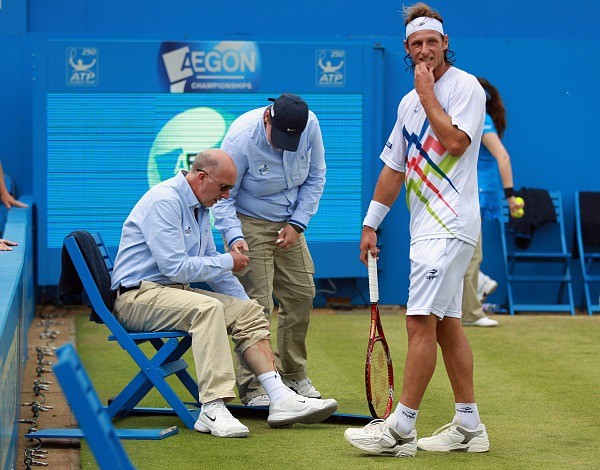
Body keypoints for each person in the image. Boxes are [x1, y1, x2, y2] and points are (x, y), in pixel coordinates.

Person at [344, 2, 490, 457]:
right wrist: (371, 223)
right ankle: (469, 426)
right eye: (416, 44)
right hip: (425, 229)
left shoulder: (466, 87)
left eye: (432, 42)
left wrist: (428, 93)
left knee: (418, 320)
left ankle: (400, 427)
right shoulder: (407, 103)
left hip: (450, 226)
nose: (425, 49)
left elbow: (453, 141)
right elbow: (393, 168)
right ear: (406, 50)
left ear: (446, 43)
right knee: (446, 325)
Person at [110, 149, 337, 438]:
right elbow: (176, 268)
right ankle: (212, 407)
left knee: (250, 310)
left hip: (169, 294)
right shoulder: (164, 200)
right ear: (202, 177)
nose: (227, 196)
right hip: (135, 299)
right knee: (208, 309)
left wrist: (244, 307)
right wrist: (229, 260)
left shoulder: (199, 206)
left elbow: (211, 269)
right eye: (224, 187)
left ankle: (280, 397)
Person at [211, 94, 327, 406]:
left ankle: (292, 375)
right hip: (247, 223)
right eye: (278, 137)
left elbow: (316, 177)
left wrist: (298, 223)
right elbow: (224, 196)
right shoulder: (240, 137)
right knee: (256, 307)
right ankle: (254, 388)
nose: (283, 145)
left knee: (302, 294)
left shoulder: (310, 125)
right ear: (267, 119)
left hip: (290, 224)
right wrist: (235, 237)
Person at [461, 77, 523, 327]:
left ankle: (471, 307)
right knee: (470, 254)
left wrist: (509, 196)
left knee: (471, 253)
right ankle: (471, 310)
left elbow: (503, 157)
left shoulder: (480, 120)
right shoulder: (479, 119)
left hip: (478, 193)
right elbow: (503, 156)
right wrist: (510, 197)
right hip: (473, 193)